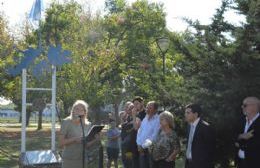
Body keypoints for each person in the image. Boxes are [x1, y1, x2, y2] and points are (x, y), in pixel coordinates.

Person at [59, 100, 99, 168]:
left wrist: (95, 139)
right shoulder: (66, 122)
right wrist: (74, 139)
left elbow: (87, 144)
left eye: (81, 110)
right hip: (69, 160)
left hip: (83, 159)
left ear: (84, 112)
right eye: (76, 109)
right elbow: (61, 143)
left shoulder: (88, 124)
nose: (78, 111)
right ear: (73, 110)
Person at [184, 104, 216, 168]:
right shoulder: (189, 126)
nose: (185, 115)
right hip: (189, 164)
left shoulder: (206, 128)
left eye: (188, 113)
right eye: (185, 113)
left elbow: (211, 150)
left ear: (195, 114)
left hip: (201, 165)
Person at [235, 97, 260, 168]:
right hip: (240, 163)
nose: (242, 107)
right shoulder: (241, 120)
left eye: (245, 105)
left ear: (255, 106)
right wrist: (241, 136)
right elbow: (232, 135)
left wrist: (240, 143)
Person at [136, 101, 160, 168]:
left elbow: (155, 136)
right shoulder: (145, 119)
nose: (147, 109)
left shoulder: (158, 120)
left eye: (150, 108)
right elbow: (139, 131)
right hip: (141, 149)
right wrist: (138, 144)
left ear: (155, 110)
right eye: (147, 107)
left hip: (151, 151)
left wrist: (142, 146)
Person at [121, 101, 136, 168]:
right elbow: (122, 124)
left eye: (130, 109)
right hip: (125, 144)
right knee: (125, 162)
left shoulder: (135, 118)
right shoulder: (127, 118)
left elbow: (131, 128)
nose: (128, 110)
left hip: (130, 146)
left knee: (129, 162)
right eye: (127, 108)